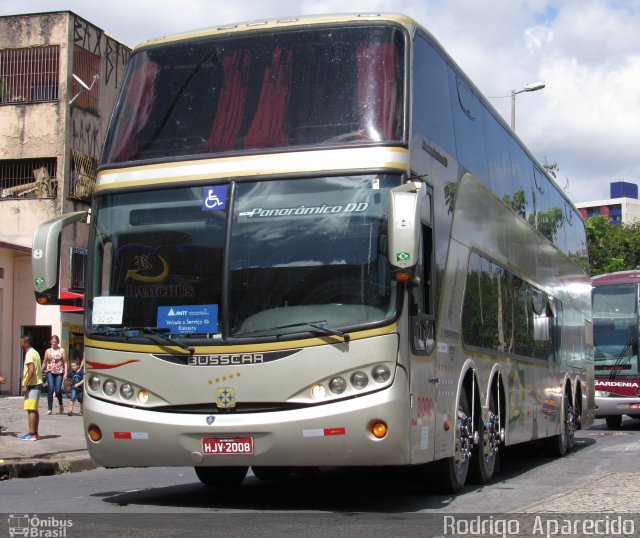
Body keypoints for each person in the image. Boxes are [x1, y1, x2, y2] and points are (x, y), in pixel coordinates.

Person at [20, 335, 43, 441]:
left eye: (21, 342)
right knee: (34, 409)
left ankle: (32, 434)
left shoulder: (29, 353)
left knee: (31, 410)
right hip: (37, 384)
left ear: (26, 343)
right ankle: (35, 433)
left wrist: (25, 384)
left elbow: (31, 370)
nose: (20, 344)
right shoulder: (35, 352)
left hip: (32, 385)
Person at [41, 335, 67, 415]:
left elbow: (65, 362)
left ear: (58, 342)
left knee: (58, 390)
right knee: (50, 389)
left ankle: (61, 404)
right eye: (53, 342)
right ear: (50, 342)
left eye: (56, 342)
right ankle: (49, 409)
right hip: (50, 371)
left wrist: (65, 373)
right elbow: (45, 362)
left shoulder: (62, 350)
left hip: (59, 372)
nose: (54, 343)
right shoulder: (48, 351)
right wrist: (40, 371)